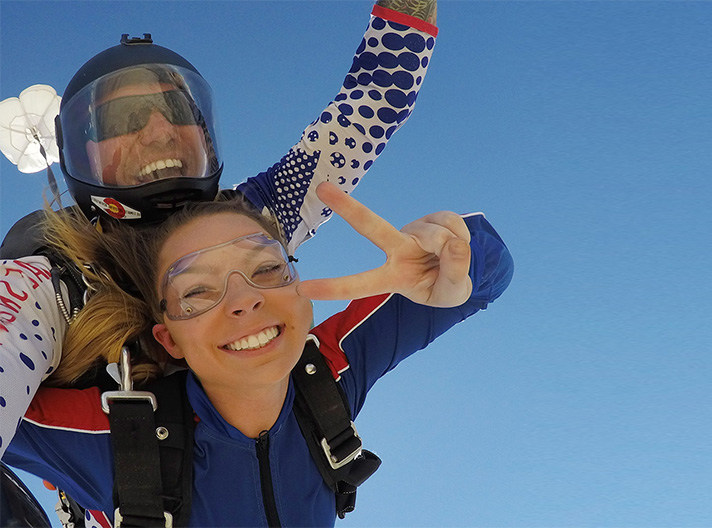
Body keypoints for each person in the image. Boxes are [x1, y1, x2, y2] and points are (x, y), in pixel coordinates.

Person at [0, 0, 438, 463]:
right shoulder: (53, 283)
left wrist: (406, 10)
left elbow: (372, 106)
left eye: (178, 111)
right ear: (78, 155)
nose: (159, 130)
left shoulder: (252, 222)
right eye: (124, 120)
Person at [2, 182, 513, 526]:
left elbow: (489, 268)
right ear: (169, 339)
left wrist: (449, 261)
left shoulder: (326, 378)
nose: (245, 300)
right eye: (198, 292)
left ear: (300, 295)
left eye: (267, 270)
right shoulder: (111, 437)